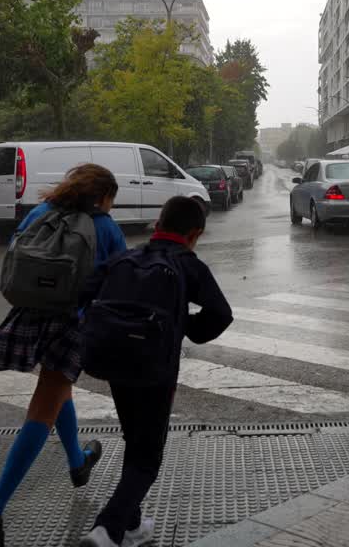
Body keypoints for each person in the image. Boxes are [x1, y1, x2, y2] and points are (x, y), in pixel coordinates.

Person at [0, 163, 128, 547]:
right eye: (111, 199)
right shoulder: (105, 228)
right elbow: (122, 282)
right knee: (43, 407)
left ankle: (78, 464)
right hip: (71, 324)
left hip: (30, 314)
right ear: (103, 196)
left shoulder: (41, 213)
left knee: (58, 391)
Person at [78, 196, 233, 547]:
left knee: (136, 440)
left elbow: (84, 293)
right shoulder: (188, 264)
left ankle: (132, 526)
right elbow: (221, 314)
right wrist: (184, 326)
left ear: (159, 223)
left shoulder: (126, 257)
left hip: (113, 363)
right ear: (195, 233)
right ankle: (108, 529)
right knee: (148, 458)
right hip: (154, 371)